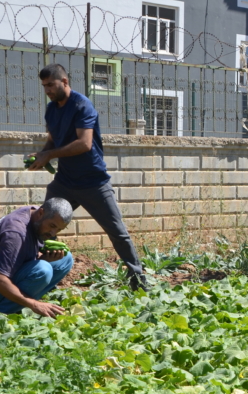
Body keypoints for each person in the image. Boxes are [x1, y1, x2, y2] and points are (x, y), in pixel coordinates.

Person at [27, 63, 147, 290]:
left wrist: (49, 154)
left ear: (64, 82)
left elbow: (84, 143)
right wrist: (42, 155)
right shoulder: (51, 110)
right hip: (64, 182)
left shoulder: (82, 105)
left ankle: (138, 281)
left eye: (51, 85)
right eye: (44, 86)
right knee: (41, 222)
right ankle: (38, 275)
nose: (48, 91)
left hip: (93, 182)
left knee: (117, 232)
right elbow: (53, 140)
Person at [0, 198, 76, 317]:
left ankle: (19, 303)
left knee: (66, 259)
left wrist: (44, 258)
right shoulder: (15, 233)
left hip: (4, 278)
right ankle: (1, 314)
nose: (53, 233)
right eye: (52, 225)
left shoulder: (34, 215)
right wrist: (33, 304)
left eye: (59, 229)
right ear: (41, 213)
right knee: (43, 270)